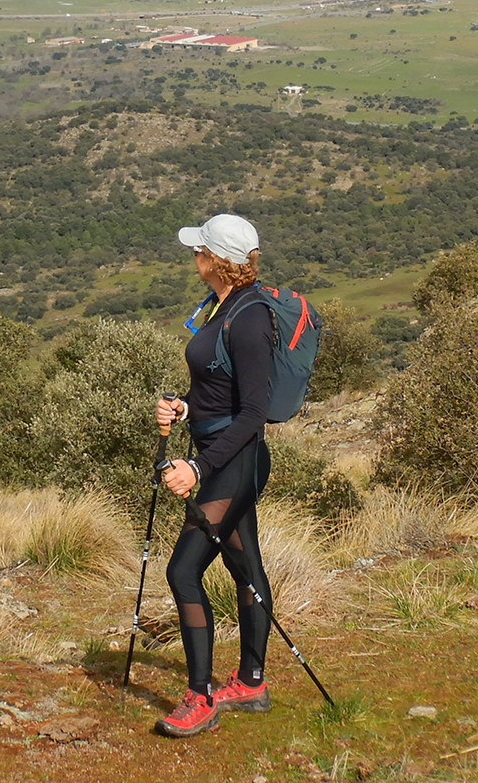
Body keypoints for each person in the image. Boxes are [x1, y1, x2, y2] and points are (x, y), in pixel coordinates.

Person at [151, 212, 276, 739]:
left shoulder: (248, 318)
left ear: (217, 259)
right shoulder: (222, 307)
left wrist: (198, 466)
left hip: (233, 465)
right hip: (220, 457)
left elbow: (254, 412)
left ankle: (199, 697)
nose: (193, 255)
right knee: (244, 567)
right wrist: (183, 409)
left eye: (199, 249)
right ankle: (250, 682)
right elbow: (214, 386)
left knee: (182, 572)